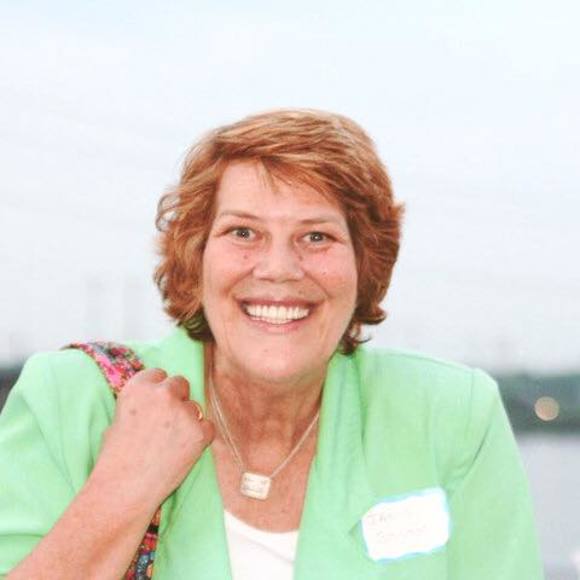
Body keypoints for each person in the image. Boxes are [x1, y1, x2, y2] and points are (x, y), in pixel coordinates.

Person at [0, 109, 543, 579]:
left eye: (317, 236)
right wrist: (121, 491)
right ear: (195, 252)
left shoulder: (453, 416)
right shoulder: (72, 400)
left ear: (365, 263)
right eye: (243, 232)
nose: (279, 268)